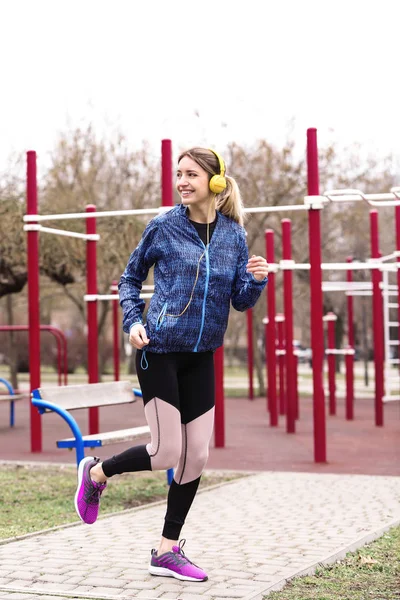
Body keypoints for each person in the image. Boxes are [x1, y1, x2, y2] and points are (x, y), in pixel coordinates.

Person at [74, 147, 269, 582]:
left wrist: (255, 280)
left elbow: (239, 300)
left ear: (215, 183)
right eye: (178, 174)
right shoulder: (163, 226)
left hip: (202, 356)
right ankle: (97, 472)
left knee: (196, 456)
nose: (182, 181)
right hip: (158, 350)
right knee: (167, 451)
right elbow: (128, 278)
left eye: (191, 175)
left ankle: (166, 550)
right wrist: (132, 320)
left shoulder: (234, 236)